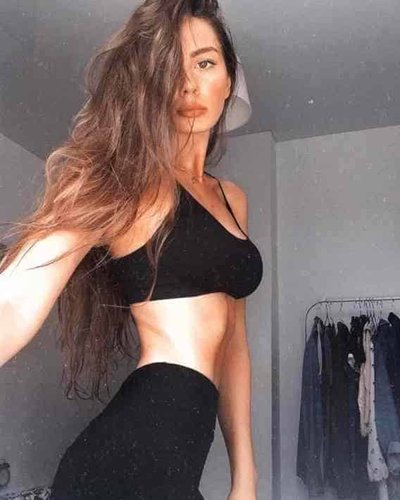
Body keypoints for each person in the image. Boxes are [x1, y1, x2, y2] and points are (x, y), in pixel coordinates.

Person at [0, 0, 263, 498]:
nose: (188, 84)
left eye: (205, 63)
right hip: (128, 452)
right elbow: (12, 303)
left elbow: (234, 344)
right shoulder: (127, 181)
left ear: (229, 78)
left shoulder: (233, 199)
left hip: (181, 454)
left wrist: (245, 477)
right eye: (170, 68)